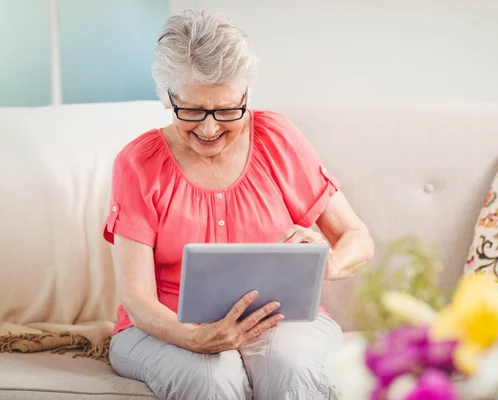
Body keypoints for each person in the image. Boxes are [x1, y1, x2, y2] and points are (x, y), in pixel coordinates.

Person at [104, 9, 374, 400]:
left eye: (228, 110)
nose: (210, 129)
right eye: (192, 111)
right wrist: (195, 337)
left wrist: (327, 261)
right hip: (164, 326)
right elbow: (138, 298)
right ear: (168, 98)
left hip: (281, 322)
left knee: (293, 369)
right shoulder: (137, 164)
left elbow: (358, 237)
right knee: (213, 376)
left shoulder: (277, 138)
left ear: (246, 95)